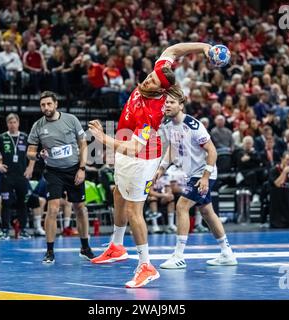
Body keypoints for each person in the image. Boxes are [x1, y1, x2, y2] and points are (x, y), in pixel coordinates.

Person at [88, 42, 213, 288]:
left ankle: (146, 265)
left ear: (160, 90)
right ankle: (116, 246)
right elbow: (173, 51)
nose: (146, 82)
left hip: (141, 159)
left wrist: (103, 139)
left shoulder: (152, 113)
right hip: (125, 150)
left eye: (152, 83)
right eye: (148, 77)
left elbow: (135, 148)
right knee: (117, 193)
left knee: (135, 211)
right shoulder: (158, 74)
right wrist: (204, 47)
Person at [154, 94, 237, 269]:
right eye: (166, 102)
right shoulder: (168, 125)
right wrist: (161, 169)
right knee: (207, 212)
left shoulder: (193, 125)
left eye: (171, 102)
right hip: (193, 173)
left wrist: (205, 177)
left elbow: (212, 151)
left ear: (181, 105)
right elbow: (172, 149)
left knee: (181, 206)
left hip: (204, 172)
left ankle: (178, 256)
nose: (167, 105)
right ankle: (227, 253)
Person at [27, 91, 94, 263]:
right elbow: (30, 152)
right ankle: (49, 251)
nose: (46, 107)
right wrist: (38, 155)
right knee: (53, 208)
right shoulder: (38, 125)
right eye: (43, 105)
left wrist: (82, 168)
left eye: (49, 104)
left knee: (80, 207)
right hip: (53, 172)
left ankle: (85, 248)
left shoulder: (71, 120)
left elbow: (83, 144)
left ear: (56, 104)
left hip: (73, 170)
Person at [0, 113, 35, 239]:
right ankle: (5, 230)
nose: (12, 125)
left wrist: (30, 167)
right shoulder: (2, 137)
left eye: (14, 122)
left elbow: (33, 152)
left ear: (18, 123)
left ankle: (23, 230)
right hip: (6, 176)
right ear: (7, 124)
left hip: (22, 175)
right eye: (10, 123)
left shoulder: (25, 137)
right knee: (6, 203)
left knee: (23, 203)